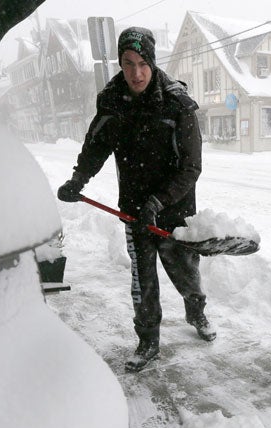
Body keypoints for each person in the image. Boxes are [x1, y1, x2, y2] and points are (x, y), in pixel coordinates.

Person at [57, 27, 215, 371]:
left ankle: (196, 312)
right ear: (121, 63)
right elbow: (96, 145)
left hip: (174, 211)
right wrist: (78, 179)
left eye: (143, 64)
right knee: (142, 280)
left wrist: (158, 202)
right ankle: (148, 340)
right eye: (128, 63)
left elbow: (191, 167)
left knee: (185, 273)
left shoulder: (177, 103)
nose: (136, 73)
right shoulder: (112, 100)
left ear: (153, 63)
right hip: (134, 211)